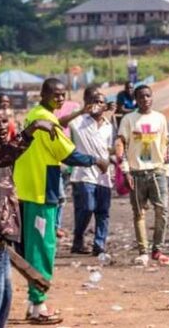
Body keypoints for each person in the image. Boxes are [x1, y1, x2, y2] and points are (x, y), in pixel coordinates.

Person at [13, 78, 107, 324]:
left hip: (28, 188)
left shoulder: (36, 115)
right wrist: (97, 160)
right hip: (40, 190)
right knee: (42, 248)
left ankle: (34, 302)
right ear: (43, 94)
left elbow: (59, 132)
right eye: (55, 94)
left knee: (32, 248)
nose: (60, 98)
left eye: (63, 94)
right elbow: (68, 154)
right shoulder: (45, 120)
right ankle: (38, 305)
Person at [0, 101, 55, 328]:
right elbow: (4, 156)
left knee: (3, 300)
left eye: (5, 121)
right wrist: (31, 130)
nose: (2, 126)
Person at [115, 85, 169, 266]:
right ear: (136, 100)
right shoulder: (128, 120)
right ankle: (143, 251)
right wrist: (125, 170)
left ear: (152, 97)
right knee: (139, 212)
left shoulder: (160, 118)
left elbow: (166, 143)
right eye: (141, 97)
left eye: (148, 96)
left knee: (162, 210)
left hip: (157, 171)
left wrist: (166, 167)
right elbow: (121, 144)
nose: (145, 99)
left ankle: (157, 249)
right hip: (137, 172)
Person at [69, 88, 115, 255]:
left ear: (105, 106)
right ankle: (78, 237)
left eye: (101, 102)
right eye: (95, 101)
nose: (98, 105)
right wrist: (82, 110)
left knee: (103, 211)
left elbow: (108, 148)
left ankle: (99, 244)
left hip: (103, 175)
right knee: (87, 207)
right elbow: (62, 122)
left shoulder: (109, 126)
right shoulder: (79, 121)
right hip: (84, 173)